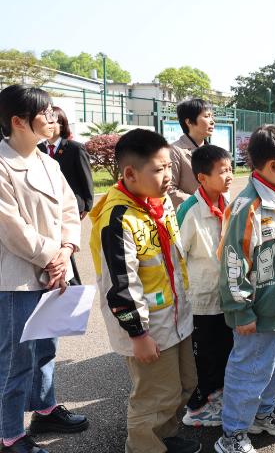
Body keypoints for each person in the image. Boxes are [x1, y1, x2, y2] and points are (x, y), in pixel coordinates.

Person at [89, 128, 198, 453]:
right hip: (147, 327)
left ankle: (165, 436)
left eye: (168, 167)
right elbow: (119, 285)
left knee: (183, 385)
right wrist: (138, 334)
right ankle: (144, 447)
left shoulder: (159, 202)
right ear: (130, 174)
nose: (167, 176)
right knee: (154, 396)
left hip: (176, 317)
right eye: (158, 169)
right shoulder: (117, 219)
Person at [0, 85, 87, 453]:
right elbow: (11, 228)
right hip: (16, 277)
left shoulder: (47, 161)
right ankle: (9, 433)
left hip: (54, 270)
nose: (54, 118)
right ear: (19, 121)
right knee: (16, 357)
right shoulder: (2, 164)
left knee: (47, 346)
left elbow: (70, 210)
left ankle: (45, 408)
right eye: (45, 113)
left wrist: (66, 250)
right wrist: (54, 257)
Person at [214, 125, 275, 453]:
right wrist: (241, 310)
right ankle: (232, 434)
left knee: (272, 366)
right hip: (256, 310)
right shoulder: (247, 206)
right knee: (248, 370)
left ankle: (262, 413)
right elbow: (232, 262)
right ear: (271, 165)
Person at [176, 144, 234, 428]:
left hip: (223, 295)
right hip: (199, 299)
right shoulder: (190, 210)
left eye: (231, 169)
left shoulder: (226, 202)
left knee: (223, 349)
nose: (230, 176)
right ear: (201, 178)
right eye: (223, 171)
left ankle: (216, 397)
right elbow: (177, 255)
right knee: (204, 355)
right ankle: (197, 408)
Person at [39, 107, 93, 285]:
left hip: (70, 204)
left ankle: (71, 281)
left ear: (63, 125)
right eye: (49, 120)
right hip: (47, 206)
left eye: (56, 121)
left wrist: (87, 204)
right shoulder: (38, 149)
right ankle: (66, 279)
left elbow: (86, 177)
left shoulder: (75, 148)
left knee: (65, 244)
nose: (52, 125)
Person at [169, 98, 215, 208]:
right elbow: (169, 189)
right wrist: (199, 202)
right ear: (189, 122)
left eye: (211, 116)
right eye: (206, 116)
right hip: (189, 219)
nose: (212, 121)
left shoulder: (213, 151)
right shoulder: (175, 150)